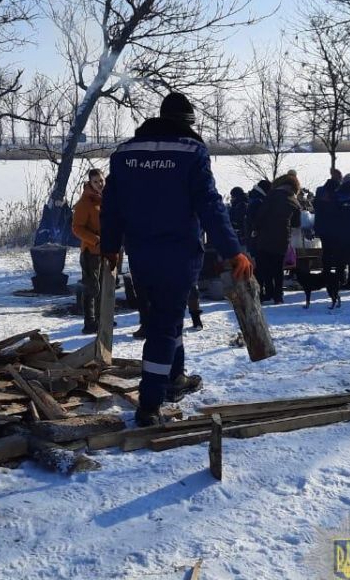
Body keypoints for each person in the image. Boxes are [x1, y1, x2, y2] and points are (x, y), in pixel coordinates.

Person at [99, 92, 252, 427]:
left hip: (141, 254)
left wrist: (109, 245)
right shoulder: (191, 152)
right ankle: (149, 405)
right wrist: (232, 250)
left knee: (164, 317)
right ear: (187, 123)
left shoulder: (124, 153)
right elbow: (210, 205)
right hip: (179, 254)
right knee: (164, 325)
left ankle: (175, 378)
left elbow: (111, 204)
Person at [252, 174, 302, 305]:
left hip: (265, 236)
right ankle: (278, 296)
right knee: (278, 267)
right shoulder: (294, 201)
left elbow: (261, 214)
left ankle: (268, 292)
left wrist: (256, 228)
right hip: (282, 237)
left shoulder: (272, 195)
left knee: (264, 266)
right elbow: (296, 223)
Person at [72, 169, 105, 335]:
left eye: (101, 180)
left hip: (106, 251)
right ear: (90, 183)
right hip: (90, 251)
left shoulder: (105, 199)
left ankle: (102, 318)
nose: (99, 184)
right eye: (96, 181)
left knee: (104, 286)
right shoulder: (85, 203)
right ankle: (89, 322)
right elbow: (77, 228)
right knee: (92, 287)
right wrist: (95, 240)